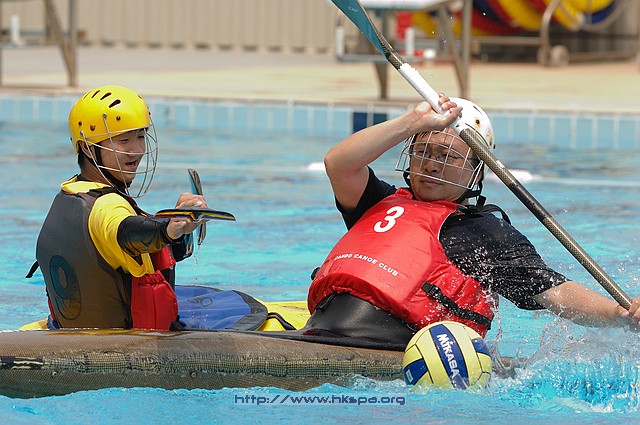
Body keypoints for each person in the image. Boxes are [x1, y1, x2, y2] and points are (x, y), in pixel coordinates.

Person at [306, 95, 640, 344]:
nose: (431, 165)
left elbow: (554, 292)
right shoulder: (378, 201)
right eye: (423, 152)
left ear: (476, 170)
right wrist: (413, 122)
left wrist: (619, 313)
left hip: (390, 348)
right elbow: (338, 163)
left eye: (447, 156)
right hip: (320, 331)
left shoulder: (485, 234)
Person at [32, 85, 207, 330]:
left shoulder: (72, 193)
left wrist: (178, 229)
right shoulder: (107, 208)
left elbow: (143, 247)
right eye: (124, 140)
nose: (136, 150)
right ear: (87, 147)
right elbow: (126, 231)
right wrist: (167, 229)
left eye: (140, 137)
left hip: (70, 333)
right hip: (124, 344)